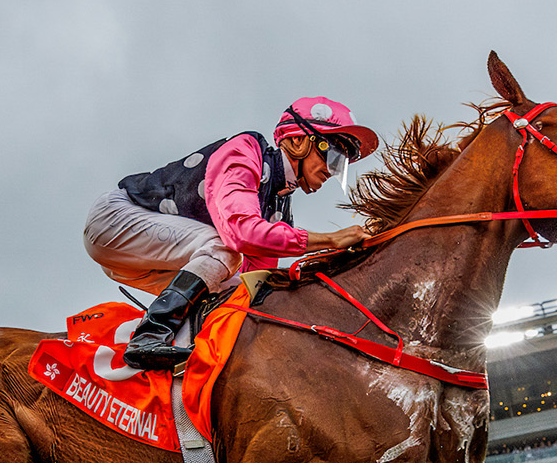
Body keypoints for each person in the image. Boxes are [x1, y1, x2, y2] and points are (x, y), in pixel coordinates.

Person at [83, 97, 380, 370]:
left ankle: (179, 360)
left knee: (236, 291)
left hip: (142, 258)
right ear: (298, 140)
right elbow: (241, 233)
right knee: (225, 250)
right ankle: (147, 337)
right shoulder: (246, 150)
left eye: (341, 165)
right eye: (332, 156)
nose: (333, 170)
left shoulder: (278, 207)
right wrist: (332, 239)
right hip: (114, 222)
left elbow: (253, 283)